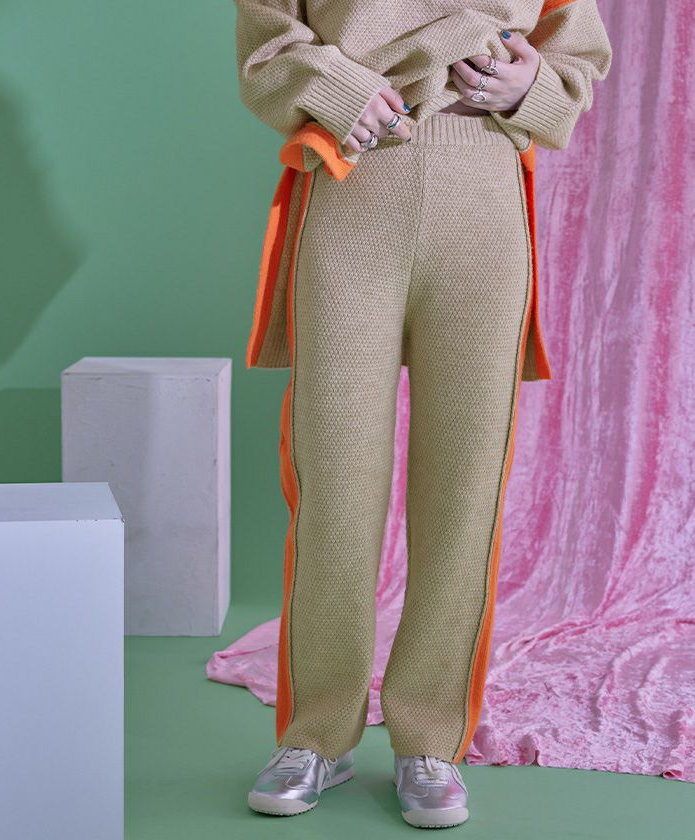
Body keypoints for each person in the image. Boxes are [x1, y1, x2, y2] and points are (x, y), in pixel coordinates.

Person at [233, 0, 612, 828]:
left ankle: (431, 740)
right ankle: (317, 734)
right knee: (335, 484)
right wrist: (337, 88)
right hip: (353, 182)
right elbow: (266, 44)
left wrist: (533, 88)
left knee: (466, 488)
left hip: (484, 195)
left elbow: (576, 53)